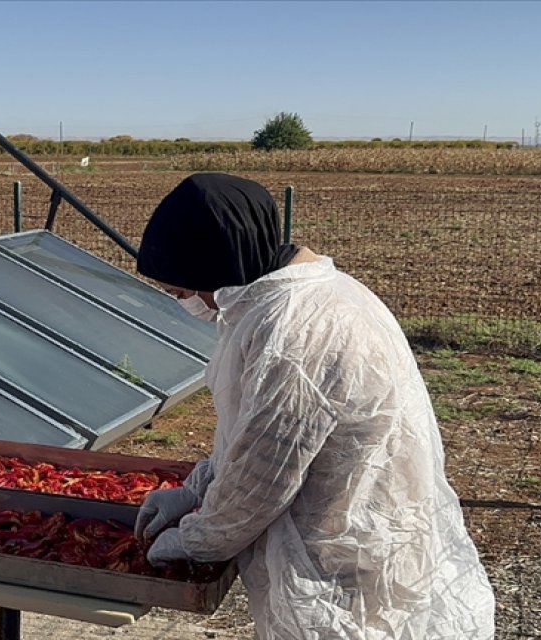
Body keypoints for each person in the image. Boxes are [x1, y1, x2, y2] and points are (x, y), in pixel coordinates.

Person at [132, 173, 495, 638]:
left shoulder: (293, 333)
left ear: (216, 266)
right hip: (355, 533)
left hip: (345, 556)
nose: (190, 304)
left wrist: (197, 538)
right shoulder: (300, 297)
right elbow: (253, 434)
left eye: (184, 292)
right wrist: (199, 488)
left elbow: (263, 477)